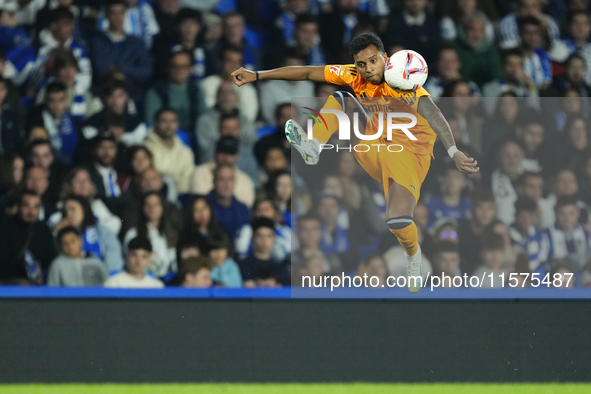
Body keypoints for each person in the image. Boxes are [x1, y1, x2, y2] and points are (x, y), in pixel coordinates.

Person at [232, 32, 479, 293]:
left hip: (410, 155)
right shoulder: (354, 74)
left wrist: (453, 151)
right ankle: (313, 145)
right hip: (372, 144)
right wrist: (257, 75)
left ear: (385, 58)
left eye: (373, 61)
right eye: (362, 64)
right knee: (343, 99)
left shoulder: (405, 83)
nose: (368, 69)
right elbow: (307, 72)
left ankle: (413, 255)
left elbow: (436, 115)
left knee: (397, 220)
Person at [90, 0, 153, 100]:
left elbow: (146, 70)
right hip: (105, 94)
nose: (118, 17)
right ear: (107, 15)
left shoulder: (136, 42)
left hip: (133, 94)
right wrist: (130, 71)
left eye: (121, 13)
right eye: (114, 13)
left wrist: (121, 70)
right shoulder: (97, 41)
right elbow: (102, 69)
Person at [50, 194, 124, 273]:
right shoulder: (60, 233)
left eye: (72, 209)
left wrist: (104, 277)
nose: (68, 214)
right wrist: (55, 232)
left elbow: (113, 252)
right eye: (65, 211)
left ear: (83, 210)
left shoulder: (100, 229)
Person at [0, 191, 57, 284]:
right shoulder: (5, 226)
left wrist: (42, 276)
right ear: (18, 207)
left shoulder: (43, 229)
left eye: (36, 207)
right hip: (8, 282)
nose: (31, 212)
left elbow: (50, 260)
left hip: (38, 283)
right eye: (26, 206)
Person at [145, 50, 206, 133]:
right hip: (165, 136)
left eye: (184, 67)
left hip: (192, 136)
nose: (179, 70)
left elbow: (203, 118)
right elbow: (151, 122)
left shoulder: (196, 90)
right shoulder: (156, 91)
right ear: (168, 68)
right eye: (175, 66)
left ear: (191, 69)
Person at [123, 191, 178, 278]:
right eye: (148, 205)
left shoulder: (171, 234)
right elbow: (129, 261)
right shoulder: (133, 233)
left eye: (156, 205)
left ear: (162, 207)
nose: (152, 208)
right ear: (142, 208)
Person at [190, 135, 255, 207]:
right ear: (215, 154)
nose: (226, 157)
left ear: (236, 156)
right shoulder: (200, 172)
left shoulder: (245, 179)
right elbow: (200, 202)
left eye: (230, 153)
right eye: (223, 152)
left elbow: (247, 205)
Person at [144, 107, 195, 194]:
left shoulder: (186, 152)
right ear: (156, 124)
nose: (169, 126)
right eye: (164, 122)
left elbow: (186, 182)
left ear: (177, 124)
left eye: (172, 122)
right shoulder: (145, 149)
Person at [235, 197, 292, 261]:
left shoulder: (285, 232)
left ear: (275, 212)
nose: (263, 214)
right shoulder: (246, 231)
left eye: (266, 210)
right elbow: (241, 254)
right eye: (259, 210)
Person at [207, 163, 250, 240]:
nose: (226, 184)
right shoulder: (204, 206)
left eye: (230, 179)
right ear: (214, 182)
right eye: (221, 179)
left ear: (234, 182)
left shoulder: (243, 209)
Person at [426, 164, 471, 228]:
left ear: (465, 182)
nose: (452, 181)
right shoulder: (431, 204)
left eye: (457, 177)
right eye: (448, 176)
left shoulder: (469, 207)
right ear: (443, 179)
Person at [239, 217, 280, 286]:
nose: (264, 240)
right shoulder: (243, 266)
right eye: (260, 236)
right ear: (252, 237)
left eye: (268, 236)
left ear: (274, 237)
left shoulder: (280, 267)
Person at [509, 196, 545, 272]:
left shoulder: (540, 236)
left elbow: (542, 259)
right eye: (522, 217)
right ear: (515, 216)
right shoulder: (507, 236)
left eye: (530, 217)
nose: (526, 220)